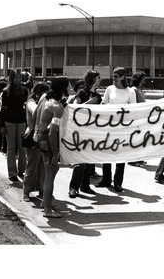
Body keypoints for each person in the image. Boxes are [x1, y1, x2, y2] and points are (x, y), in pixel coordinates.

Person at [32, 76, 70, 218]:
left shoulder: (44, 98)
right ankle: (47, 209)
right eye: (68, 85)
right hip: (46, 139)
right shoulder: (57, 107)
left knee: (53, 170)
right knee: (50, 173)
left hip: (39, 135)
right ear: (63, 88)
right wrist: (55, 153)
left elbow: (35, 114)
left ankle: (45, 203)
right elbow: (52, 132)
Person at [96, 67, 137, 192]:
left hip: (122, 128)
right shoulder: (109, 89)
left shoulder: (130, 92)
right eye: (113, 77)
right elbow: (103, 105)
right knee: (107, 152)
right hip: (109, 126)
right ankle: (106, 179)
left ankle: (118, 182)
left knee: (120, 155)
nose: (113, 79)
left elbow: (133, 109)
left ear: (123, 77)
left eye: (116, 77)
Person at [68, 70, 102, 198]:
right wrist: (89, 102)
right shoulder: (81, 93)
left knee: (88, 159)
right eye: (98, 78)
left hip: (92, 129)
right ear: (93, 79)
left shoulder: (98, 96)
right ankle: (73, 187)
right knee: (79, 160)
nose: (100, 80)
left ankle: (85, 186)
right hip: (80, 130)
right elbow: (76, 108)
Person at [22, 81, 49, 202]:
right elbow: (35, 113)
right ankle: (26, 192)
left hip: (42, 135)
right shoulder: (31, 102)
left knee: (43, 166)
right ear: (38, 93)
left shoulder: (42, 102)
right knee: (32, 165)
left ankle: (42, 190)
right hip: (32, 135)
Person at [0, 69, 29, 181]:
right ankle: (12, 173)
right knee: (11, 148)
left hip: (21, 122)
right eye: (15, 77)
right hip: (9, 122)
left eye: (19, 77)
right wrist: (2, 125)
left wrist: (28, 123)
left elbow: (27, 108)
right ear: (11, 78)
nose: (17, 79)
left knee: (22, 148)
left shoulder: (25, 91)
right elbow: (3, 110)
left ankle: (22, 170)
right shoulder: (6, 92)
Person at [129, 70, 146, 166]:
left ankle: (139, 158)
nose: (144, 80)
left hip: (141, 117)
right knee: (135, 139)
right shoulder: (134, 90)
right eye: (143, 78)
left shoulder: (139, 89)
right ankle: (132, 159)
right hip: (136, 117)